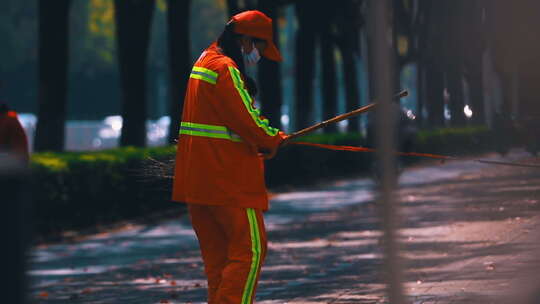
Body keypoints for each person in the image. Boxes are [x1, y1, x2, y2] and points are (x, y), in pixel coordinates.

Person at [171, 10, 287, 304]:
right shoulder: (225, 69)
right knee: (250, 252)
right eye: (259, 47)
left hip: (199, 184)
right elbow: (247, 120)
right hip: (228, 182)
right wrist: (272, 138)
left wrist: (265, 139)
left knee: (219, 263)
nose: (258, 54)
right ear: (246, 40)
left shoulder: (203, 61)